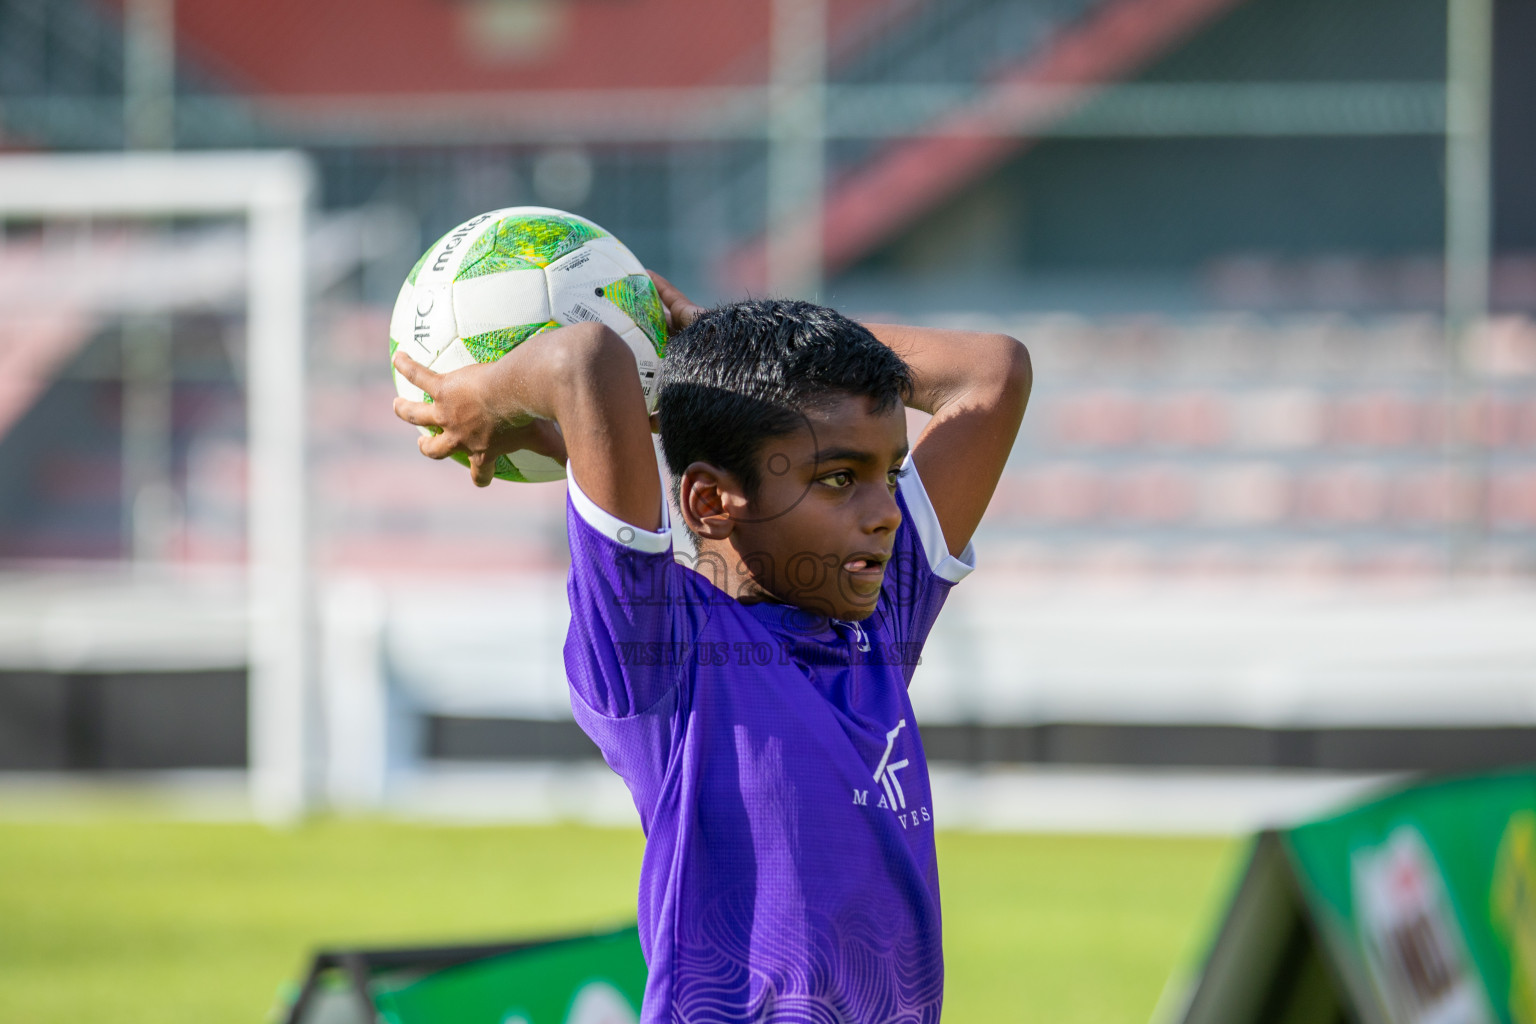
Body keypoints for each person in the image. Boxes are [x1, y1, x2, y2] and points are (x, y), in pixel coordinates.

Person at [391, 273, 1031, 1023]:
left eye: (889, 474)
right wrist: (489, 397)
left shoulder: (877, 626)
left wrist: (724, 345)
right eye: (837, 479)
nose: (887, 513)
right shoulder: (662, 648)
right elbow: (585, 361)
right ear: (707, 502)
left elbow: (993, 373)